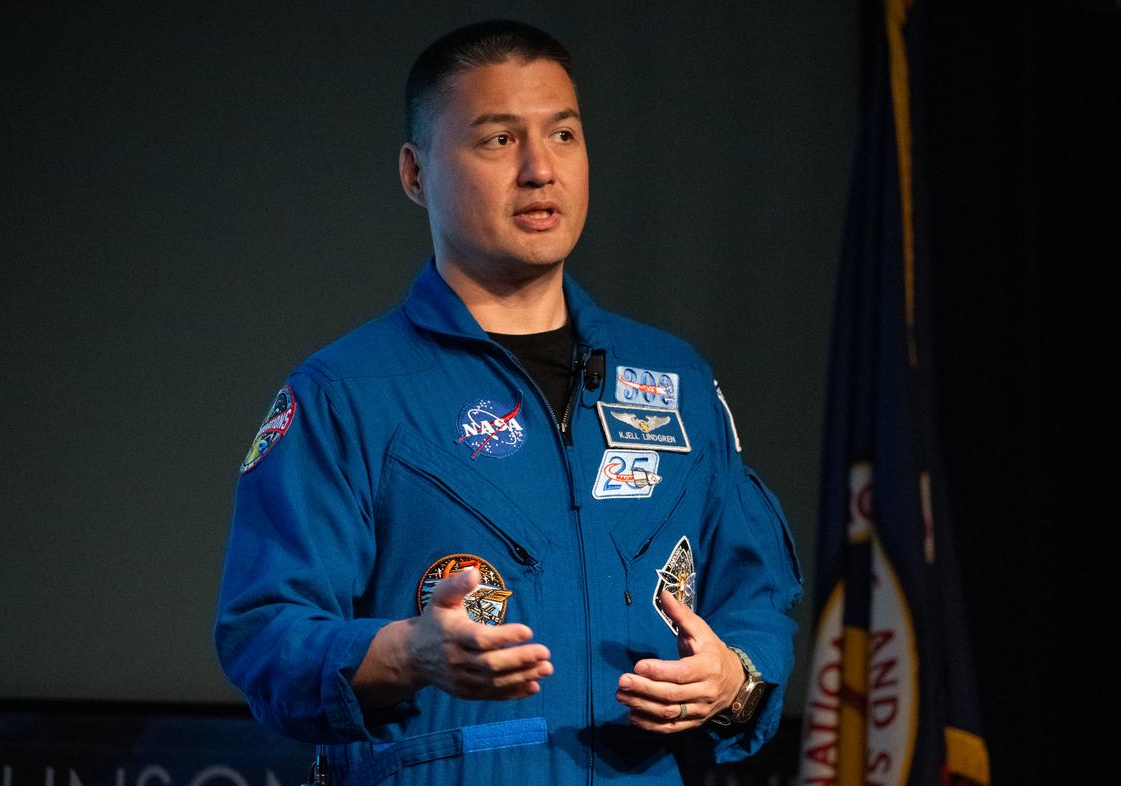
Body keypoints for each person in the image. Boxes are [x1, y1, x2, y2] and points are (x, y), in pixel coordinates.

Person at [214, 19, 801, 785]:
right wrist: (404, 652)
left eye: (563, 135)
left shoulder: (673, 377)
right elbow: (264, 635)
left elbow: (755, 592)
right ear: (415, 173)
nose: (539, 170)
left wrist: (734, 679)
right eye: (497, 140)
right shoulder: (343, 394)